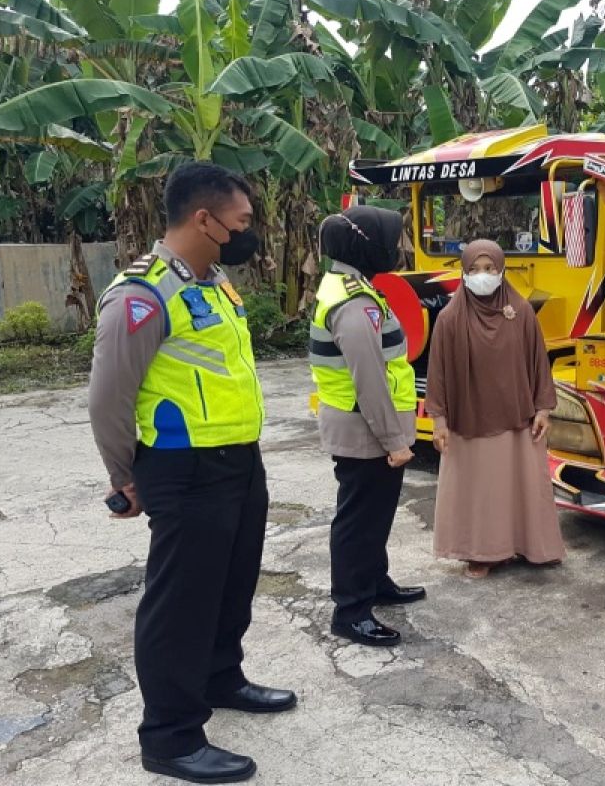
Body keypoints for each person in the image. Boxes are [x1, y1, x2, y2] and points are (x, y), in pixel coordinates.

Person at [88, 162, 295, 784]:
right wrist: (125, 477)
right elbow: (108, 398)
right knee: (180, 604)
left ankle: (220, 679)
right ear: (204, 220)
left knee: (231, 587)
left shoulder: (216, 284)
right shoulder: (142, 294)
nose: (249, 231)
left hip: (239, 461)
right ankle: (170, 736)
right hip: (183, 469)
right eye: (242, 221)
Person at [310, 206, 426, 647]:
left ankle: (375, 582)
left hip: (368, 427)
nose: (397, 248)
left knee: (375, 516)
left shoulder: (351, 287)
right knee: (359, 521)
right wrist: (394, 441)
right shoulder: (354, 303)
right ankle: (351, 610)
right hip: (365, 431)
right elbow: (370, 378)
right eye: (391, 240)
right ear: (365, 243)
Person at [425, 239, 566, 578]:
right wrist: (440, 421)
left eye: (489, 269)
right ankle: (480, 552)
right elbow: (438, 373)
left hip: (519, 418)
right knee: (482, 491)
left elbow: (538, 363)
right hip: (469, 421)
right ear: (463, 273)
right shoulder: (449, 318)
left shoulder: (520, 313)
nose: (482, 276)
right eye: (473, 270)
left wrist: (543, 409)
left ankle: (528, 546)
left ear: (502, 270)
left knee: (521, 485)